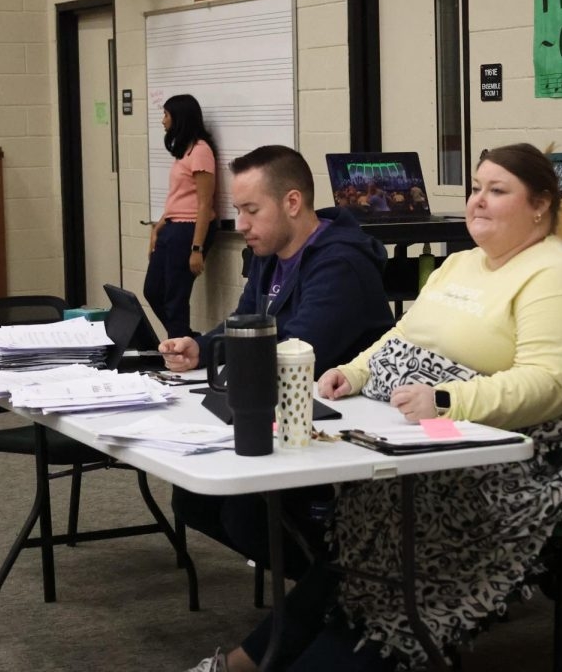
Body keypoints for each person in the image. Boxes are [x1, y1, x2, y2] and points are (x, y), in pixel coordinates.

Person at [187, 144, 562, 672]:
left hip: (533, 456)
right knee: (370, 537)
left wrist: (448, 400)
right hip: (451, 437)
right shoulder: (460, 265)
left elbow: (553, 386)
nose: (478, 201)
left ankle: (290, 656)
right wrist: (355, 373)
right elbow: (399, 337)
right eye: (476, 188)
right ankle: (256, 659)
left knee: (396, 539)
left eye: (497, 191)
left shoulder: (561, 276)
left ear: (541, 205)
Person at [161, 145, 394, 584]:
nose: (242, 225)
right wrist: (200, 345)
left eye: (251, 210)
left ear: (292, 202)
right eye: (238, 211)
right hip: (287, 417)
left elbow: (296, 350)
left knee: (243, 511)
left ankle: (343, 586)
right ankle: (319, 586)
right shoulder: (269, 254)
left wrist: (221, 355)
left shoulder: (341, 262)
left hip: (341, 430)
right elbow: (244, 326)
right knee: (194, 498)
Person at [144, 94, 218, 338]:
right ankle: (188, 339)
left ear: (180, 118)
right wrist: (158, 228)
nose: (163, 120)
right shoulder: (184, 152)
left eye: (166, 115)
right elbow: (179, 198)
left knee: (175, 297)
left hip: (189, 230)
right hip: (173, 226)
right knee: (153, 291)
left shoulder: (201, 151)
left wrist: (197, 248)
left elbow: (205, 203)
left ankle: (180, 350)